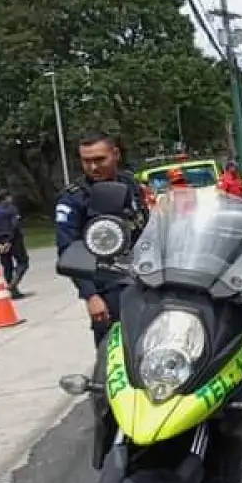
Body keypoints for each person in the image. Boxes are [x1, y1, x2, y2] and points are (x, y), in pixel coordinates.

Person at [55, 131, 150, 348]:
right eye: (86, 161)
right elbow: (69, 250)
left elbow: (146, 225)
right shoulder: (73, 199)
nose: (93, 167)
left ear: (115, 154)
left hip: (146, 279)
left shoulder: (130, 184)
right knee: (113, 355)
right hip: (109, 289)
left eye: (99, 159)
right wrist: (91, 296)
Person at [0, 188, 29, 298]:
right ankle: (13, 284)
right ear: (6, 198)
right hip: (14, 241)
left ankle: (13, 292)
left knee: (7, 266)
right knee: (23, 262)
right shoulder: (12, 210)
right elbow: (14, 226)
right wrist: (9, 241)